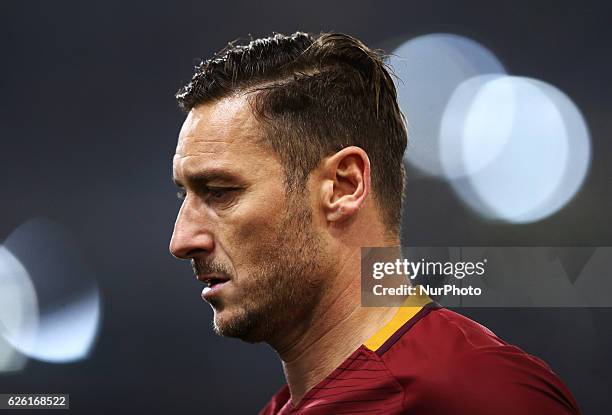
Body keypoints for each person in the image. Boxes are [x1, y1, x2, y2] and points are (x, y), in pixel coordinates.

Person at [169, 31, 581, 414]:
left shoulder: (481, 394)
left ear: (343, 186)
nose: (181, 240)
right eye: (183, 195)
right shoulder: (292, 405)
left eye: (220, 191)